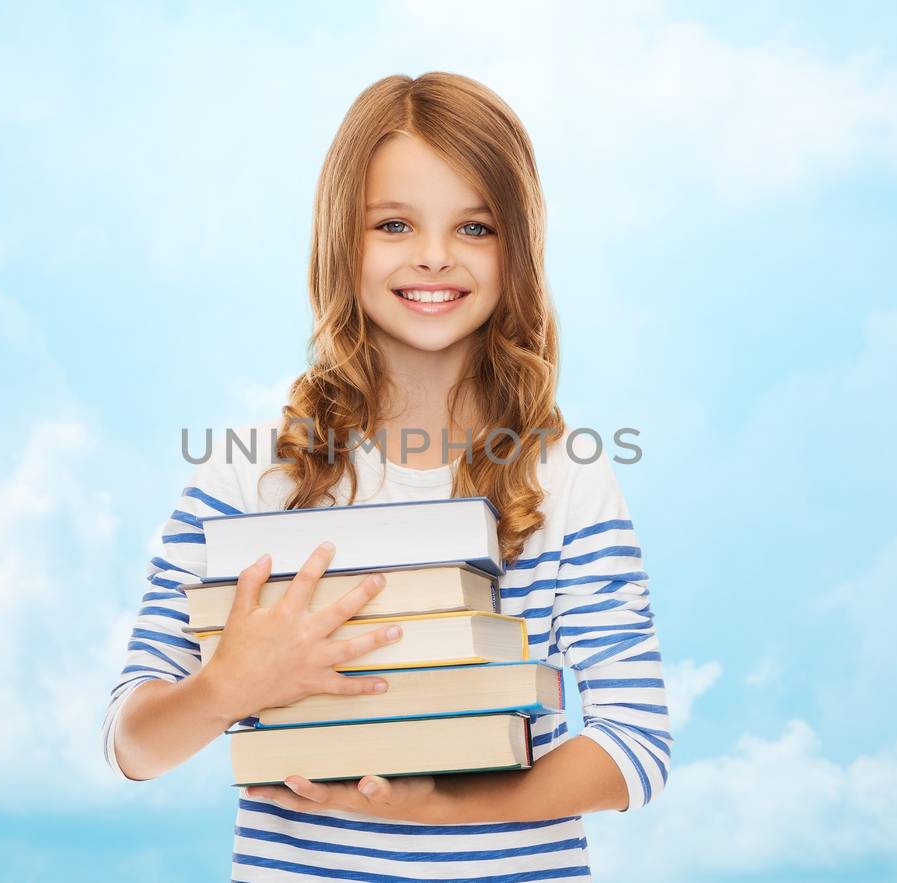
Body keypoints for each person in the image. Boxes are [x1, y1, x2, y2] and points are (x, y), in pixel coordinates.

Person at [102, 71, 671, 881]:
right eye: (395, 224)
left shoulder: (564, 476)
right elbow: (133, 743)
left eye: (475, 227)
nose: (434, 256)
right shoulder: (246, 474)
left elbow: (637, 743)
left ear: (518, 247)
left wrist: (442, 806)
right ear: (343, 240)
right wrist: (230, 683)